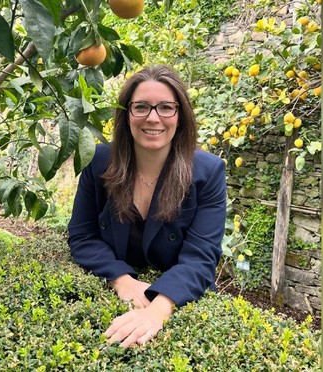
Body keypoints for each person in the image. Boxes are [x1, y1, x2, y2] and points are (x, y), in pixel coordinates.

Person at [67, 65, 227, 348]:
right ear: (126, 113)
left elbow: (201, 257)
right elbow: (82, 235)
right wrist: (121, 280)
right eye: (141, 107)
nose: (153, 118)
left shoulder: (208, 171)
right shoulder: (98, 161)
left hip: (179, 291)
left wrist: (158, 308)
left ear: (180, 115)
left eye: (166, 107)